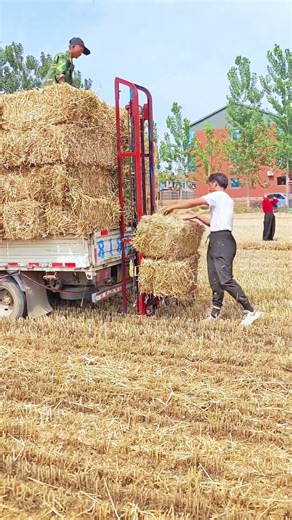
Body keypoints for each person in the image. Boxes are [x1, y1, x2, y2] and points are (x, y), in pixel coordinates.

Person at [165, 173, 261, 326]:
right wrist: (196, 216)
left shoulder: (218, 196)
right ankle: (215, 313)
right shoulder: (225, 200)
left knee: (225, 280)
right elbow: (214, 223)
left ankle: (250, 311)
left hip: (222, 242)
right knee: (215, 280)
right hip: (218, 240)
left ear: (215, 183)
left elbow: (192, 202)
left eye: (209, 184)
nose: (208, 188)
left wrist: (173, 206)